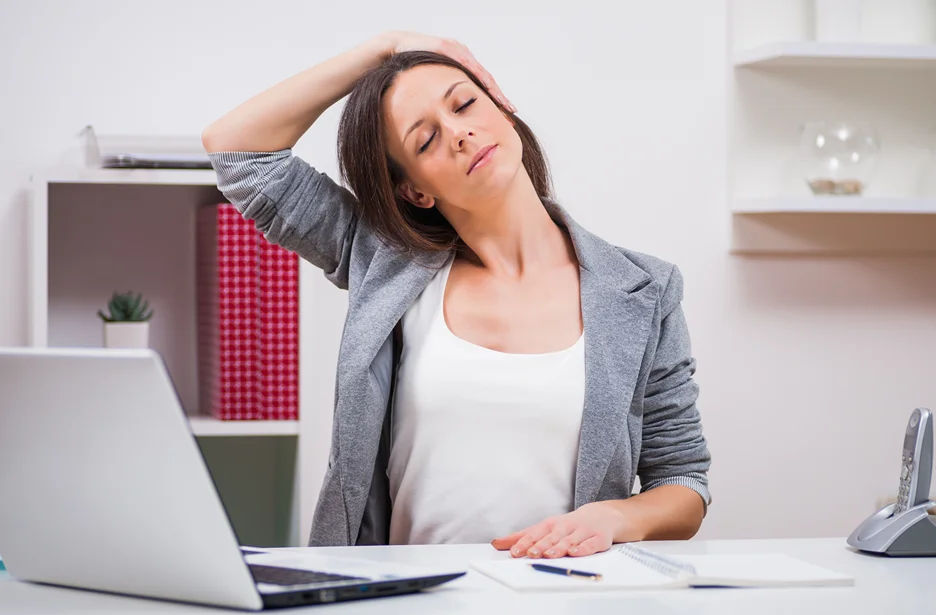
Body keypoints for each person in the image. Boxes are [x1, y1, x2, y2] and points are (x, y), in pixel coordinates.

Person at [202, 30, 711, 560]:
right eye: (425, 140)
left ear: (504, 111)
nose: (460, 134)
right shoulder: (382, 260)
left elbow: (683, 482)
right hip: (408, 601)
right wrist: (383, 49)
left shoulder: (645, 291)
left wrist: (615, 515)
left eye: (465, 103)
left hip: (567, 598)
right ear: (415, 190)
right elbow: (237, 150)